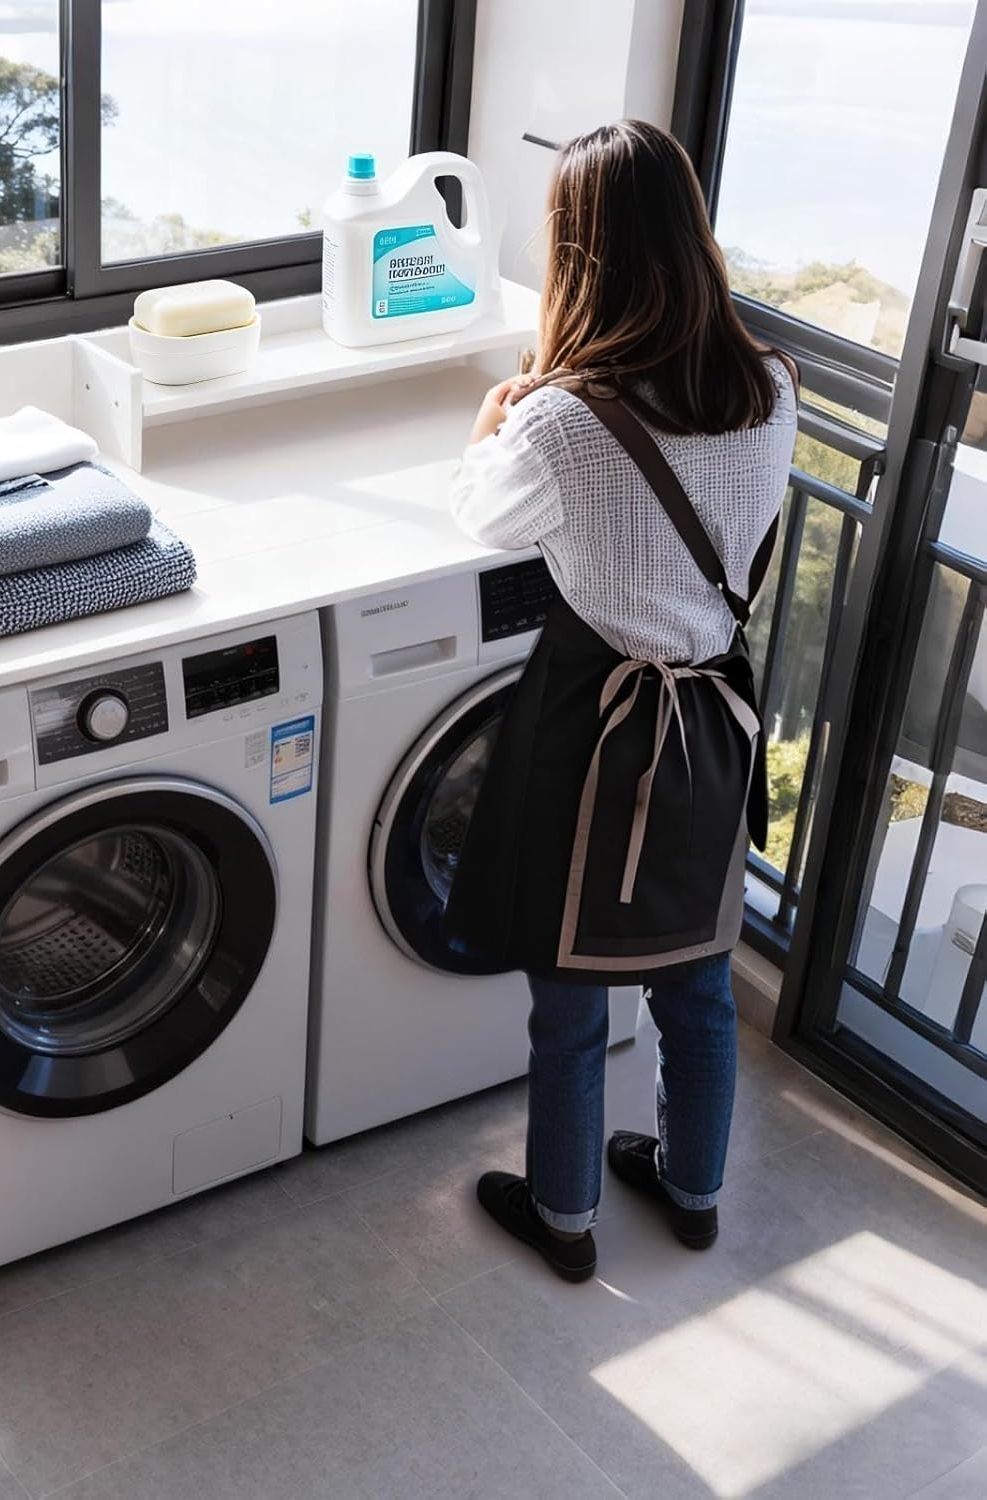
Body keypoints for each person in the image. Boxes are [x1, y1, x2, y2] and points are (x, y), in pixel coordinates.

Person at [444, 119, 798, 1283]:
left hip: (594, 732)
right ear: (690, 233)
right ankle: (693, 1194)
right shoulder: (773, 386)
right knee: (698, 985)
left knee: (571, 999)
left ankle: (564, 1216)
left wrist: (492, 420)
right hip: (713, 726)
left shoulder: (562, 423)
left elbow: (477, 520)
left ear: (575, 250)